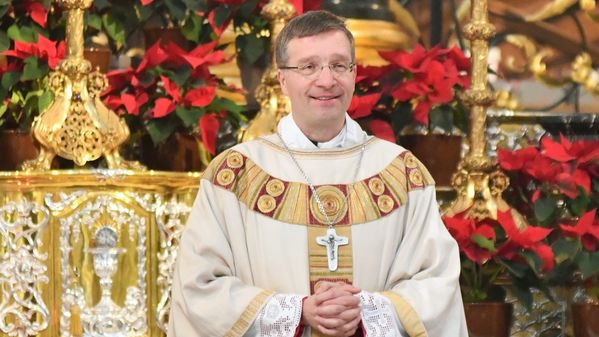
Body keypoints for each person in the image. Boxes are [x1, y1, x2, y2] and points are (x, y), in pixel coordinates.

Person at [168, 10, 467, 337]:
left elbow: (438, 285)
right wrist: (296, 312)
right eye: (308, 66)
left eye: (339, 65)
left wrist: (367, 309)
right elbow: (199, 288)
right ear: (282, 79)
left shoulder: (402, 173)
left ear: (354, 75)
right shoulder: (234, 175)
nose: (326, 80)